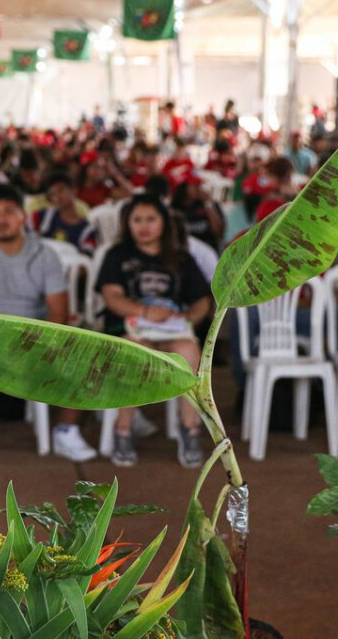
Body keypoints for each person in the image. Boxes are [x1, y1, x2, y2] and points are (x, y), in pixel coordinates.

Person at [0, 184, 96, 463]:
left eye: (8, 212)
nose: (1, 219)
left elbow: (58, 312)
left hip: (36, 333)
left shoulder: (44, 254)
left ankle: (66, 429)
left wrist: (34, 343)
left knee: (83, 341)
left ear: (22, 217)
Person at [96, 194, 211, 468]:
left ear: (164, 224)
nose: (143, 226)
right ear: (128, 223)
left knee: (189, 351)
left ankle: (189, 427)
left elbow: (202, 301)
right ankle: (123, 429)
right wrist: (145, 312)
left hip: (172, 332)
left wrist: (186, 320)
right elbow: (112, 296)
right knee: (136, 349)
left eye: (151, 219)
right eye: (137, 220)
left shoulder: (180, 258)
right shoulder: (118, 255)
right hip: (132, 328)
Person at [31, 172, 97, 255]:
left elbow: (85, 259)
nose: (57, 197)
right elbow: (19, 224)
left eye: (61, 190)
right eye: (53, 194)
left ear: (74, 190)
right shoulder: (45, 215)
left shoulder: (87, 230)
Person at [170, 172, 224, 253]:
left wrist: (208, 204)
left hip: (208, 251)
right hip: (183, 252)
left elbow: (218, 231)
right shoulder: (174, 207)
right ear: (184, 186)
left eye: (199, 184)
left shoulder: (209, 204)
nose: (198, 188)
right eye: (194, 184)